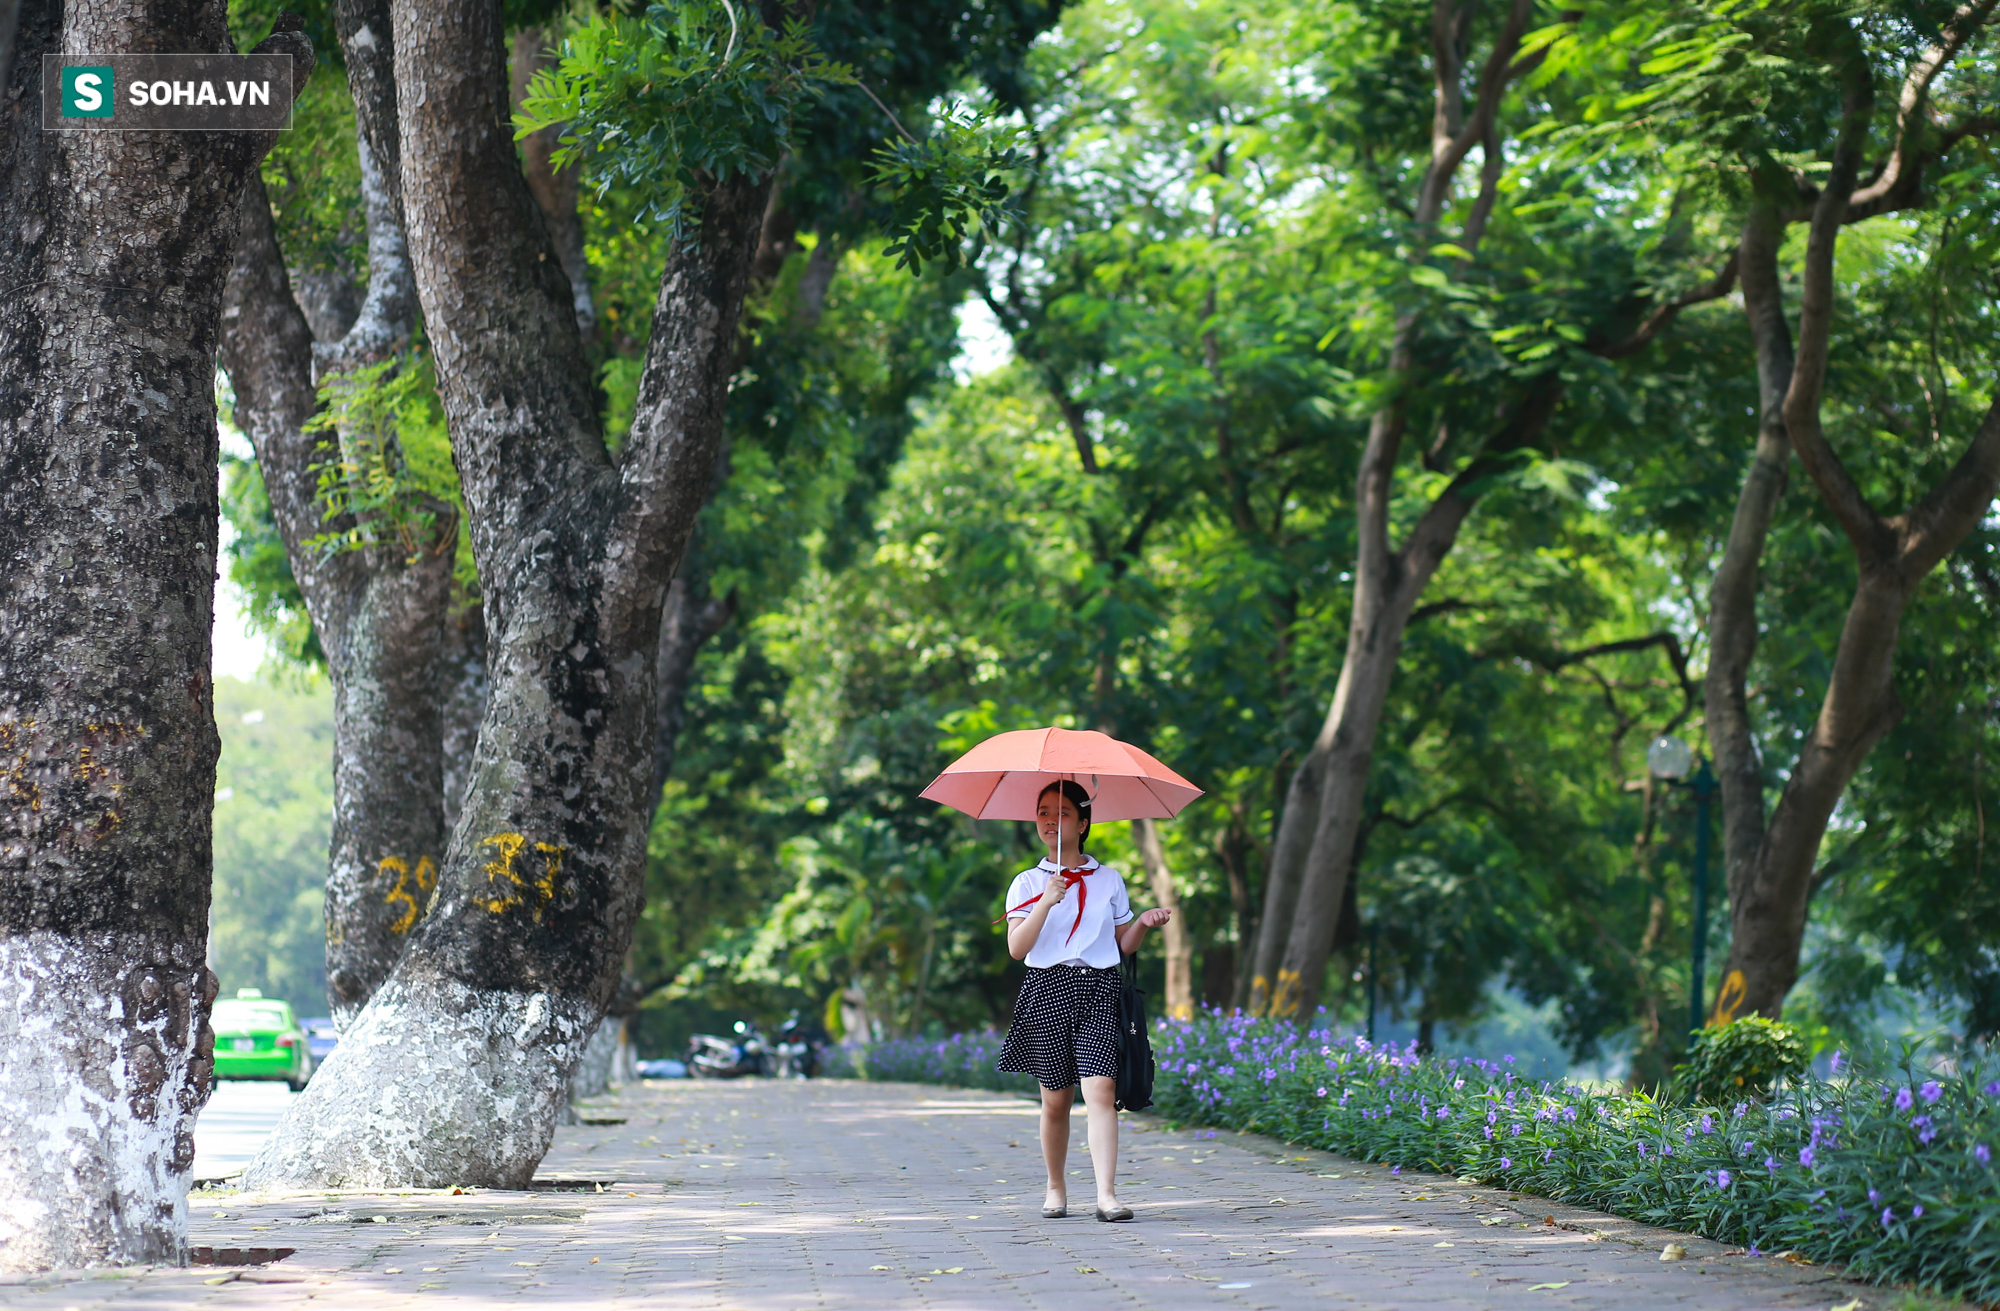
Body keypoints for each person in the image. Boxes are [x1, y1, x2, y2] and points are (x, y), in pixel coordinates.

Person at [997, 780, 1172, 1222]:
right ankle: (1056, 1187)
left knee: (1102, 1090)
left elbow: (1121, 944)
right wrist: (1046, 902)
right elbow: (1018, 949)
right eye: (1043, 812)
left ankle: (1107, 1195)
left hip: (1098, 988)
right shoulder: (1026, 883)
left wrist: (1145, 924)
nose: (1051, 820)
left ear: (1084, 822)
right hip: (1046, 990)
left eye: (1063, 813)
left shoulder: (1109, 879)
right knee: (1056, 1100)